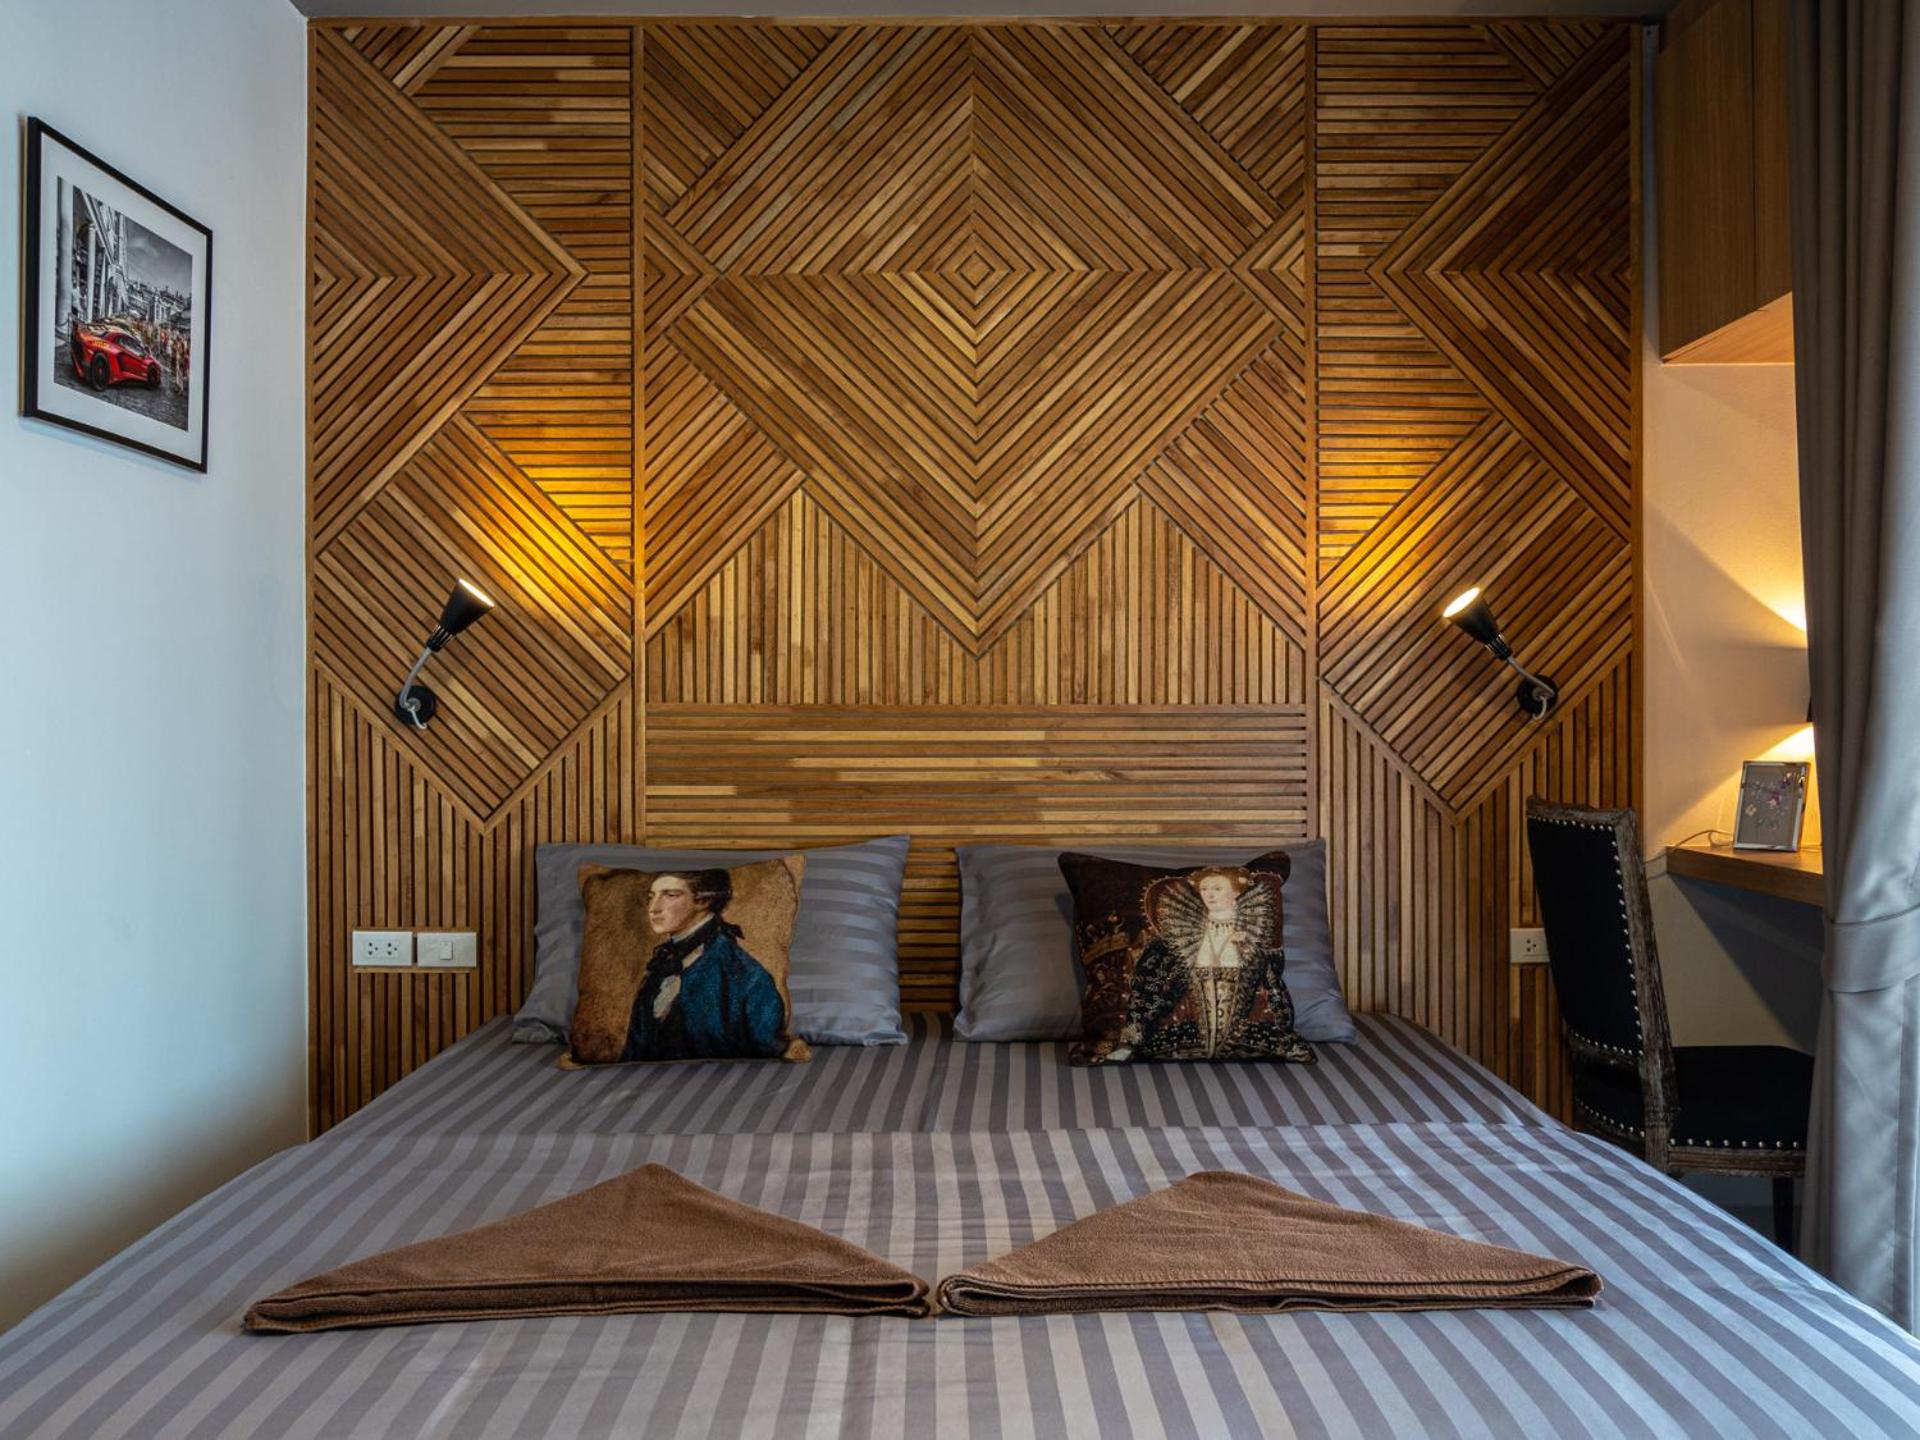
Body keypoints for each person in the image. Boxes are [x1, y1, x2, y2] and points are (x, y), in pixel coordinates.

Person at [1121, 864, 1310, 1062]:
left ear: (1236, 892)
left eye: (1217, 888)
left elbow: (1273, 989)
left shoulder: (1255, 936)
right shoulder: (1178, 939)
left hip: (1246, 1036)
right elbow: (1148, 988)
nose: (1209, 894)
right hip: (1185, 1037)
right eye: (1204, 889)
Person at [620, 870, 788, 1061]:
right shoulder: (661, 967)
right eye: (651, 897)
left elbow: (767, 1052)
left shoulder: (747, 977)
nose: (653, 908)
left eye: (670, 895)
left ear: (703, 901)